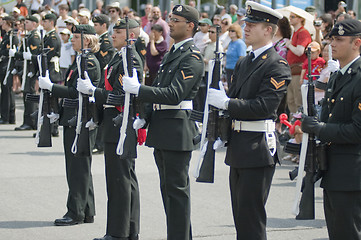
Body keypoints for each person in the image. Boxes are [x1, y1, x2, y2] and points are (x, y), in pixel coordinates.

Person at [207, 2, 291, 239]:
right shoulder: (245, 61)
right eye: (246, 24)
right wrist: (220, 131)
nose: (246, 28)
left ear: (268, 30)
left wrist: (226, 103)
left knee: (251, 218)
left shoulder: (277, 64)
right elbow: (234, 97)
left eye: (252, 25)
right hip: (239, 145)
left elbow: (264, 106)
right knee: (240, 216)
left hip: (257, 147)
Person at [123, 4, 204, 240]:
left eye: (176, 19)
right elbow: (159, 87)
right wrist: (145, 116)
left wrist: (140, 89)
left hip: (177, 128)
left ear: (190, 26)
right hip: (163, 126)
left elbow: (174, 93)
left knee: (177, 193)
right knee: (168, 191)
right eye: (170, 18)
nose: (170, 22)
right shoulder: (173, 52)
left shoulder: (192, 56)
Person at [77, 19, 143, 240]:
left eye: (118, 32)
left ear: (131, 35)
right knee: (124, 180)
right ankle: (130, 230)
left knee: (119, 181)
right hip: (115, 123)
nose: (112, 35)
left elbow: (120, 96)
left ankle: (118, 232)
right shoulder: (120, 57)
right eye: (113, 31)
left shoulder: (130, 59)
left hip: (120, 124)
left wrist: (93, 91)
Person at [301, 19, 361, 240]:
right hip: (333, 170)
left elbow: (357, 130)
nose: (332, 44)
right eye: (332, 39)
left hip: (353, 173)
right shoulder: (337, 76)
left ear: (357, 43)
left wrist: (320, 128)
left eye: (339, 40)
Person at [39, 24, 100, 226]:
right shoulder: (80, 60)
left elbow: (76, 93)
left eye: (75, 37)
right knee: (79, 167)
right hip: (74, 118)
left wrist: (52, 88)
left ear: (88, 41)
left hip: (81, 121)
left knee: (77, 168)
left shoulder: (89, 62)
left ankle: (76, 212)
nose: (71, 40)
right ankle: (87, 210)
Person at [92, 14, 115, 155]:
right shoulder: (100, 40)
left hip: (102, 80)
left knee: (100, 112)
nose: (94, 27)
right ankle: (97, 142)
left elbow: (103, 64)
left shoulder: (106, 41)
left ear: (104, 26)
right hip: (99, 80)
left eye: (96, 24)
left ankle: (100, 144)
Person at [285, 9, 312, 114]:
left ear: (300, 19)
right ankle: (292, 125)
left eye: (293, 17)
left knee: (298, 101)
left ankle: (299, 126)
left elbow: (300, 51)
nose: (290, 19)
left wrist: (289, 45)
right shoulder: (296, 32)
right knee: (290, 100)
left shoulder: (303, 32)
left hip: (299, 71)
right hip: (292, 71)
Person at [0, 16, 19, 125]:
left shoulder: (12, 36)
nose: (1, 24)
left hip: (7, 65)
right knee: (7, 91)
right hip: (4, 64)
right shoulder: (7, 35)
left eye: (3, 22)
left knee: (6, 92)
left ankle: (5, 116)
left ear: (7, 23)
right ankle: (10, 117)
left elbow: (8, 52)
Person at [225, 23, 246, 90]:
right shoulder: (231, 42)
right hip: (228, 69)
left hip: (235, 70)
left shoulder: (240, 43)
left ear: (237, 32)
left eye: (233, 31)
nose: (230, 32)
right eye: (229, 31)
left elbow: (242, 58)